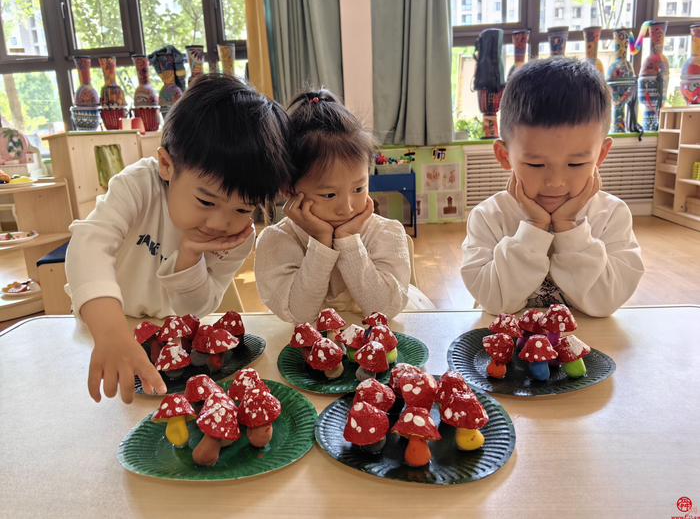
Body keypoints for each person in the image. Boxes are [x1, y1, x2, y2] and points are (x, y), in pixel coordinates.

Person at [65, 74, 292, 403]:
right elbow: (89, 245)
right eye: (206, 201)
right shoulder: (139, 186)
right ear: (167, 165)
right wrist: (110, 331)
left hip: (174, 347)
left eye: (243, 208)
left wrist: (190, 256)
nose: (220, 223)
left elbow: (196, 308)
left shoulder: (238, 236)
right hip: (107, 328)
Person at [461, 57, 644, 317]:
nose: (555, 182)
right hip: (511, 352)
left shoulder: (612, 216)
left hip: (587, 349)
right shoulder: (489, 217)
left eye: (577, 163)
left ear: (601, 156)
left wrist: (569, 226)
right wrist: (534, 227)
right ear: (504, 156)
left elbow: (605, 304)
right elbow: (495, 303)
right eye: (536, 165)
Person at [254, 89, 434, 323]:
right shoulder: (277, 241)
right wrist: (320, 241)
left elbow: (382, 311)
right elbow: (300, 314)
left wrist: (348, 239)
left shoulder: (386, 232)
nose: (347, 208)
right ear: (289, 189)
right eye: (329, 194)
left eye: (358, 189)